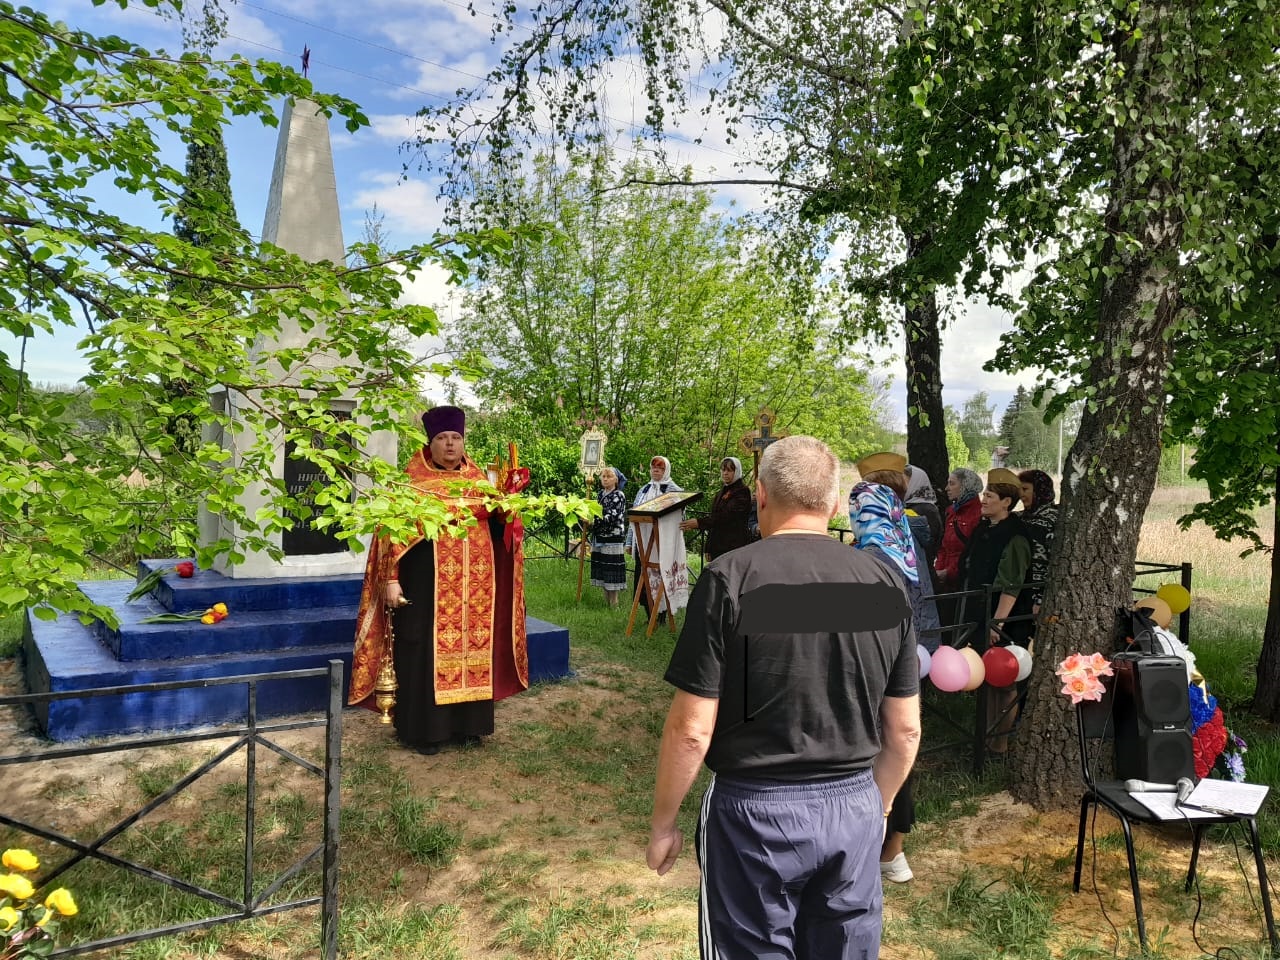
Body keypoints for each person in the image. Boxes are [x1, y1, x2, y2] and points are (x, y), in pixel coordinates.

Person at [647, 436, 921, 960]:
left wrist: (663, 823)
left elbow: (691, 729)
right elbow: (904, 728)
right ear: (835, 504)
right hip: (853, 805)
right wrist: (879, 805)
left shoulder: (730, 578)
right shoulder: (886, 583)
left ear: (761, 495)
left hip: (755, 813)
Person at [348, 405, 529, 756]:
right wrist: (391, 579)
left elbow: (501, 532)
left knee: (474, 649)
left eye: (456, 438)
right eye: (443, 438)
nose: (450, 444)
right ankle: (423, 731)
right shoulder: (410, 484)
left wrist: (508, 507)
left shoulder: (481, 483)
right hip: (425, 586)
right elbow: (389, 536)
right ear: (430, 443)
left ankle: (469, 726)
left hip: (476, 589)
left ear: (463, 442)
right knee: (421, 650)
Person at [849, 480, 940, 886]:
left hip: (871, 665)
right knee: (901, 747)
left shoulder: (869, 557)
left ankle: (870, 849)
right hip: (905, 659)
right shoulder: (905, 545)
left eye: (858, 507)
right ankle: (894, 850)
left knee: (872, 751)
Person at [959, 468, 1033, 754]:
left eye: (990, 496)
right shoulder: (984, 528)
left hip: (1005, 620)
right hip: (982, 615)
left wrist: (997, 624)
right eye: (984, 494)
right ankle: (986, 738)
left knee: (1004, 682)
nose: (984, 500)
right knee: (988, 679)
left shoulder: (1015, 536)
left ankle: (999, 744)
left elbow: (1011, 585)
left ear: (1006, 502)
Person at [625, 456, 683, 622]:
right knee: (643, 578)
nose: (656, 470)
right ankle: (649, 615)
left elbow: (680, 516)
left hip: (661, 543)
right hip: (643, 543)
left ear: (666, 470)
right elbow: (634, 516)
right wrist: (629, 542)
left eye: (660, 468)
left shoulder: (674, 490)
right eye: (653, 467)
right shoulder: (644, 490)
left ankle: (662, 616)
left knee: (660, 576)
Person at [934, 467, 984, 642]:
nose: (946, 488)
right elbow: (944, 546)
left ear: (965, 486)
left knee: (955, 632)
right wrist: (939, 570)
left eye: (952, 483)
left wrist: (949, 572)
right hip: (945, 582)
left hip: (961, 582)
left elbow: (968, 551)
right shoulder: (951, 511)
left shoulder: (977, 515)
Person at [679, 456, 752, 561]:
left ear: (737, 471)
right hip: (718, 547)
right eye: (723, 470)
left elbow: (726, 516)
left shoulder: (742, 492)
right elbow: (714, 520)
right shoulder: (721, 491)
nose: (725, 473)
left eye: (729, 470)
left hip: (734, 547)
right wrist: (709, 548)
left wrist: (699, 523)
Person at [1017, 469, 1058, 613]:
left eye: (1025, 489)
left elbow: (1054, 561)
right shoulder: (1020, 517)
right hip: (1018, 592)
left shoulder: (1052, 519)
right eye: (1019, 489)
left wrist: (1041, 598)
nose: (1021, 494)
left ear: (1040, 490)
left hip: (1037, 596)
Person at [589, 466, 628, 607]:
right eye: (603, 476)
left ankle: (614, 603)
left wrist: (594, 521)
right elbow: (595, 511)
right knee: (603, 568)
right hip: (599, 535)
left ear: (616, 480)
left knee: (612, 569)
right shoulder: (600, 494)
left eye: (609, 477)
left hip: (612, 536)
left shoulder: (619, 495)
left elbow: (613, 516)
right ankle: (606, 603)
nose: (605, 479)